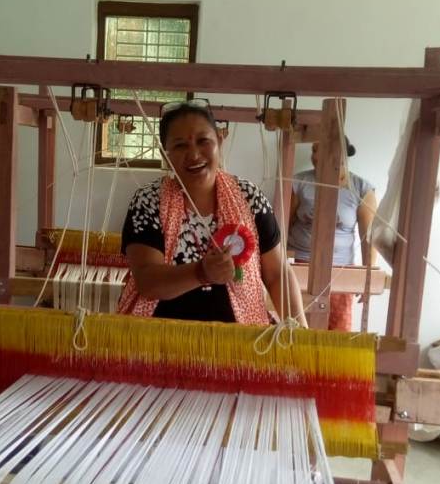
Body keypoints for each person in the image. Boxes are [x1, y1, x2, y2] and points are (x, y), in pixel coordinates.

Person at [118, 100, 306, 326]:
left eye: (203, 141)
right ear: (165, 154)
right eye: (180, 145)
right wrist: (201, 273)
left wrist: (300, 331)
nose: (194, 154)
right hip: (160, 340)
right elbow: (148, 282)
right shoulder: (148, 202)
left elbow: (277, 274)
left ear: (219, 140)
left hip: (239, 341)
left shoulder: (250, 198)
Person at [288, 138, 378, 331]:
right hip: (301, 264)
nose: (314, 156)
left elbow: (369, 238)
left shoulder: (361, 189)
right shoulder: (298, 182)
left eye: (319, 150)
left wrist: (368, 278)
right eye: (313, 150)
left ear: (340, 155)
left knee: (338, 331)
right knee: (298, 328)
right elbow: (283, 225)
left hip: (340, 270)